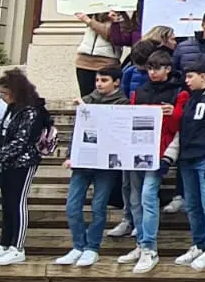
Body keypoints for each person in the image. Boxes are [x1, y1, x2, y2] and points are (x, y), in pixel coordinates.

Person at [0, 70, 50, 267]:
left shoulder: (31, 111)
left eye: (5, 93)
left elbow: (21, 141)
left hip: (24, 162)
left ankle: (18, 247)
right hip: (8, 163)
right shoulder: (11, 109)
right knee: (7, 204)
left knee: (18, 203)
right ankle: (4, 244)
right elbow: (0, 130)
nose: (2, 97)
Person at [162, 62, 205, 271]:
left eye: (191, 76)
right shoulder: (191, 99)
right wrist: (168, 157)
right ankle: (198, 244)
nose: (187, 81)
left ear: (203, 75)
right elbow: (182, 132)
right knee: (192, 205)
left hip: (204, 159)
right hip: (187, 159)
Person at [57, 66, 128, 268]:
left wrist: (88, 110)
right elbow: (78, 130)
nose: (99, 84)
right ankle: (78, 245)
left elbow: (114, 130)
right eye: (97, 80)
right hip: (83, 161)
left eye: (104, 80)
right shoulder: (88, 100)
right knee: (72, 206)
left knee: (98, 206)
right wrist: (72, 154)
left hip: (105, 164)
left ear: (116, 82)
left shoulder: (122, 103)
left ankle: (92, 248)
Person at [121, 51, 185, 273]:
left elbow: (180, 124)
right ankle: (141, 244)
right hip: (137, 151)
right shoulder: (139, 91)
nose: (153, 72)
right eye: (150, 68)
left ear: (168, 69)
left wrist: (174, 113)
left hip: (159, 152)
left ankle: (150, 248)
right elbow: (129, 118)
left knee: (148, 196)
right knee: (135, 199)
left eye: (157, 68)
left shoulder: (179, 91)